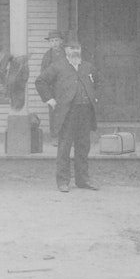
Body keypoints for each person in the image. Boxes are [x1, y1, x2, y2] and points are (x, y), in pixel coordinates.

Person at [35, 34, 99, 192]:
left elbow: (99, 83)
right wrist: (49, 99)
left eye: (77, 48)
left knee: (83, 147)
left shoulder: (88, 67)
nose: (75, 51)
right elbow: (40, 81)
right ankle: (63, 181)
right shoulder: (58, 66)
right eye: (72, 48)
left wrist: (95, 98)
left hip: (85, 112)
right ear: (65, 50)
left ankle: (83, 180)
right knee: (64, 147)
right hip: (67, 113)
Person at [39, 29, 66, 140]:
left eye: (56, 40)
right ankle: (55, 137)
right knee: (54, 113)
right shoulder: (47, 56)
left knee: (67, 112)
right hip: (52, 89)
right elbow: (43, 74)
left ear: (61, 42)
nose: (54, 43)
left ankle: (67, 137)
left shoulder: (66, 53)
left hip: (66, 87)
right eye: (52, 41)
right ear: (49, 43)